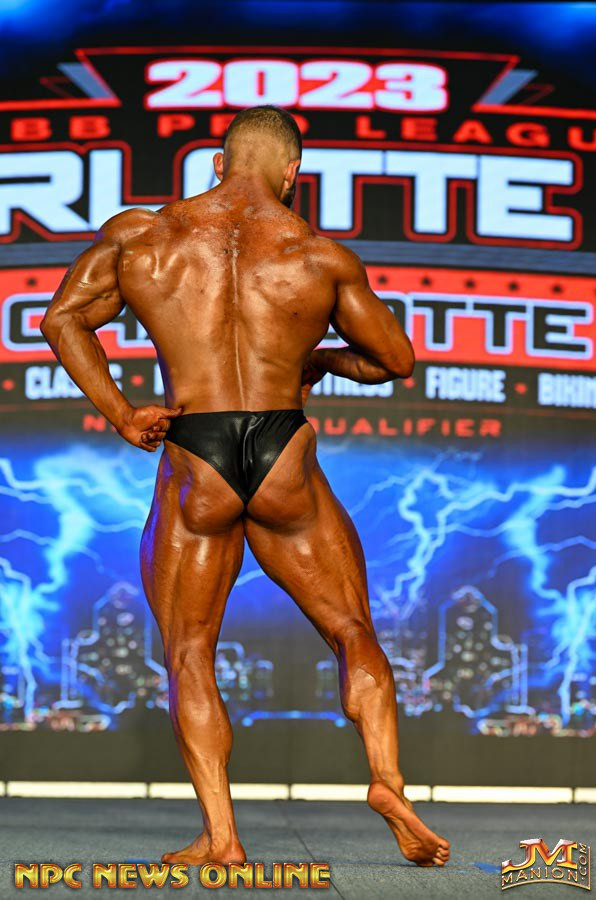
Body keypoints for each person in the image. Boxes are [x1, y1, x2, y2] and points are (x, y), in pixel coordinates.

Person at [41, 105, 450, 868]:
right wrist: (319, 360)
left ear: (218, 162)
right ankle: (387, 781)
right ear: (293, 173)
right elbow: (395, 360)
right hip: (281, 445)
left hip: (195, 451)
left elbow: (61, 320)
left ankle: (222, 836)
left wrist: (124, 413)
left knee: (190, 650)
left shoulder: (143, 235)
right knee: (352, 630)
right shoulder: (319, 256)